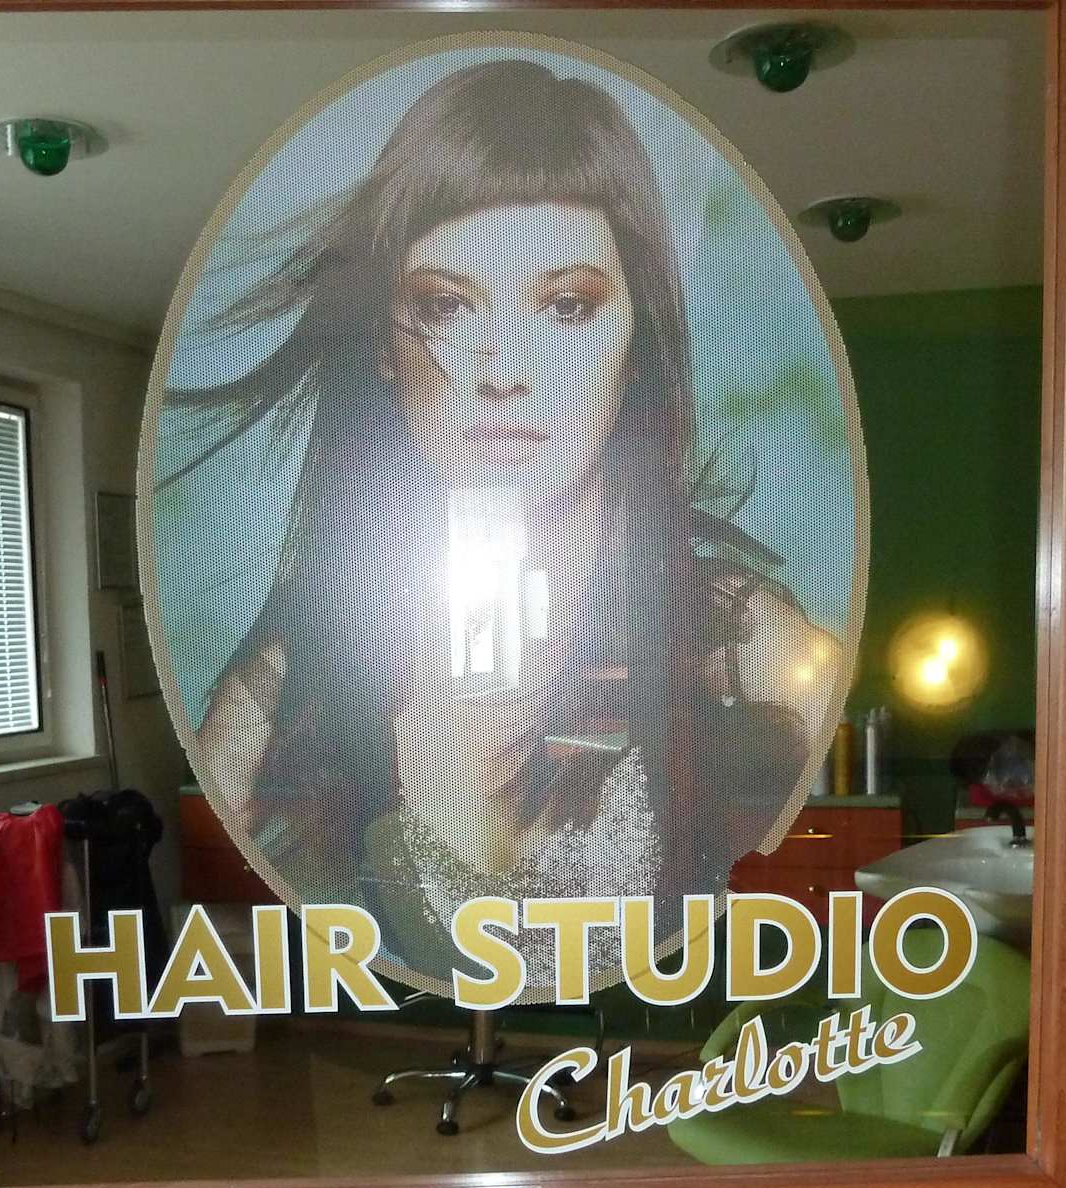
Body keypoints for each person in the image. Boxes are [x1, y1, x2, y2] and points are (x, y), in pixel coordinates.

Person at [160, 56, 841, 993]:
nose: (504, 372)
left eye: (566, 306)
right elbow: (260, 963)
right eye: (445, 305)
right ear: (384, 344)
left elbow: (791, 945)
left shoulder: (751, 648)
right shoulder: (279, 693)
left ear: (636, 338)